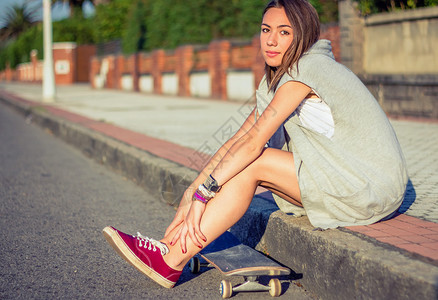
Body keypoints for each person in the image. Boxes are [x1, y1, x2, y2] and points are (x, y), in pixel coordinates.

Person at [103, 0, 408, 289]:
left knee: (255, 163)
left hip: (369, 187)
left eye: (284, 32)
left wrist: (203, 196)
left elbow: (253, 147)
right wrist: (192, 191)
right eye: (266, 30)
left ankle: (171, 260)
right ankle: (169, 248)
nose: (271, 41)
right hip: (341, 178)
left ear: (302, 36)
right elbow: (239, 140)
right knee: (242, 161)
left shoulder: (306, 71)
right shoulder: (280, 78)